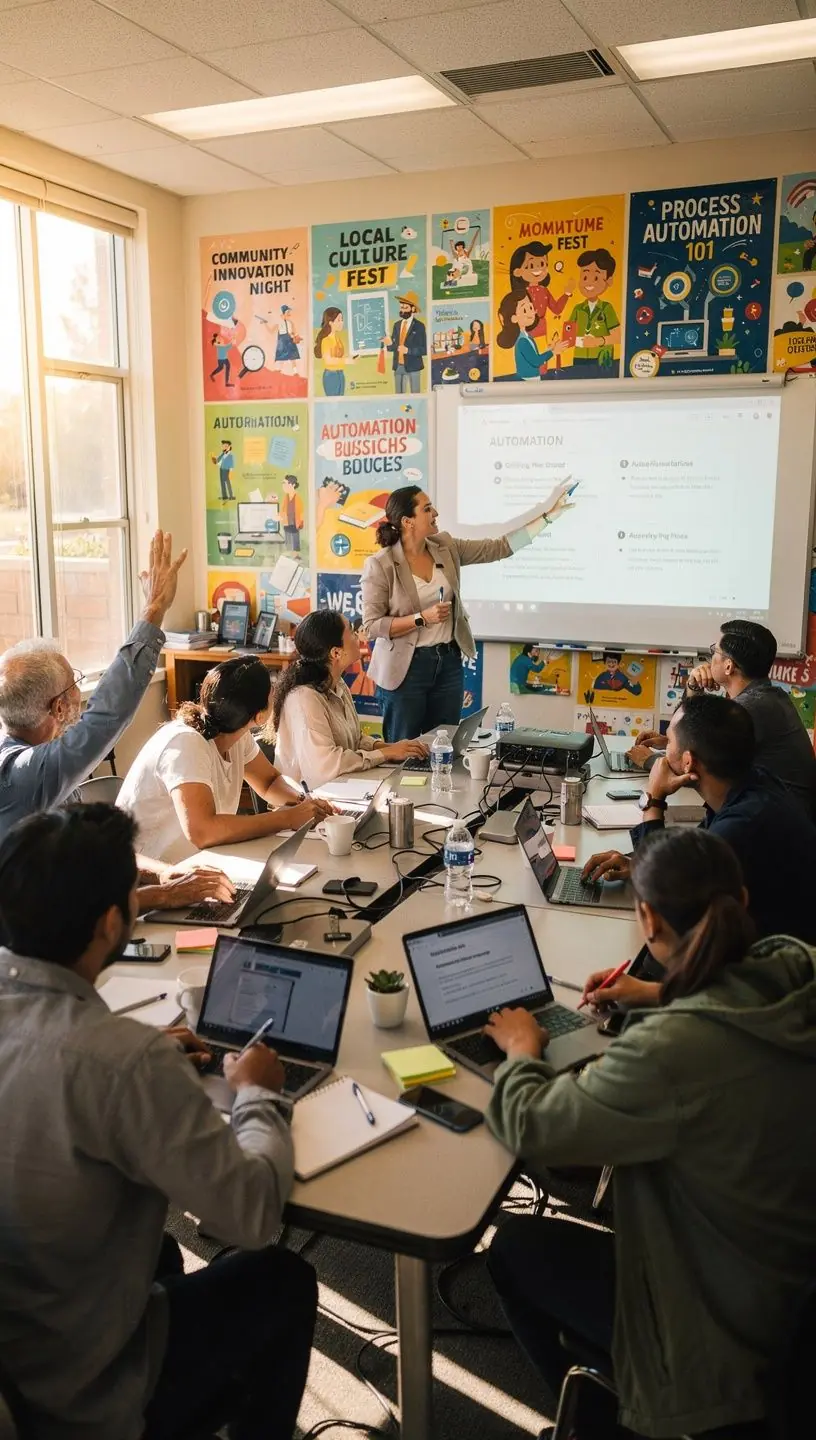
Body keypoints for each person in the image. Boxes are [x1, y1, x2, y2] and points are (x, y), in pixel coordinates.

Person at [484, 825, 816, 1440]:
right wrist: (663, 992)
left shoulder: (670, 1052)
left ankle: (607, 1422)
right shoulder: (797, 969)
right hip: (785, 1274)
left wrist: (522, 1049)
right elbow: (736, 1008)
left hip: (714, 1323)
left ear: (647, 920)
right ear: (740, 902)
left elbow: (532, 1127)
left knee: (515, 1248)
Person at [0, 804, 317, 1439]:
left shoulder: (114, 1053)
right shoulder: (125, 1062)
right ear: (114, 922)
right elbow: (250, 1216)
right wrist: (257, 1094)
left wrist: (137, 1054)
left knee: (164, 1254)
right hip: (79, 1394)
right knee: (281, 1278)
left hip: (19, 1344)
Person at [583, 692, 816, 943]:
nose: (663, 752)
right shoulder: (755, 781)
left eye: (669, 742)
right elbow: (691, 857)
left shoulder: (742, 825)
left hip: (774, 970)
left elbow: (665, 899)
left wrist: (654, 799)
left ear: (688, 762)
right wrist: (636, 863)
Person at [0, 531, 182, 842]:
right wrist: (153, 610)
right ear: (58, 707)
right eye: (76, 681)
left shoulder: (32, 763)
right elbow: (106, 716)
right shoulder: (30, 771)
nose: (80, 691)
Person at [361, 484, 575, 741]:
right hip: (407, 670)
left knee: (445, 745)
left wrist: (548, 518)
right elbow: (372, 626)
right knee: (404, 749)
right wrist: (422, 618)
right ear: (407, 521)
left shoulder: (445, 546)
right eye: (427, 509)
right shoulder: (380, 564)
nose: (436, 513)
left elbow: (499, 547)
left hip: (447, 663)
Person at [117, 656, 332, 862]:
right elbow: (203, 831)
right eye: (271, 689)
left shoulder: (237, 733)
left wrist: (306, 803)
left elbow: (268, 782)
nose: (275, 691)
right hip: (146, 874)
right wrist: (287, 818)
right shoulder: (185, 744)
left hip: (196, 862)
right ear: (259, 716)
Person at [630, 620, 816, 815]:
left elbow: (692, 767)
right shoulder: (770, 696)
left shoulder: (746, 709)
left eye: (714, 652)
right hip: (779, 812)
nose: (710, 660)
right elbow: (697, 743)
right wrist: (693, 688)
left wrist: (649, 760)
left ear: (728, 666)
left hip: (775, 825)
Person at [268, 610, 429, 788]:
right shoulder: (304, 698)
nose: (358, 636)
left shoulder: (338, 683)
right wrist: (387, 753)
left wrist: (391, 747)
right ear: (336, 653)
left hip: (340, 789)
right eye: (351, 632)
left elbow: (354, 740)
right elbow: (325, 767)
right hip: (309, 803)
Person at [565, 247, 621, 375]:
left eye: (596, 278)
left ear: (609, 281)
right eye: (584, 277)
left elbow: (617, 337)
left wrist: (597, 341)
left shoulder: (607, 308)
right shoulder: (577, 309)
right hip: (580, 358)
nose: (589, 282)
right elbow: (568, 334)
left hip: (602, 359)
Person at [507, 240, 571, 342]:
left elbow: (557, 309)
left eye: (542, 264)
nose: (538, 269)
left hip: (542, 331)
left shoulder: (544, 290)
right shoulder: (521, 294)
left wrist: (566, 294)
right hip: (525, 331)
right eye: (531, 265)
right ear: (518, 271)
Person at [496, 291, 568, 380]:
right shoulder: (522, 341)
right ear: (514, 318)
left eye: (531, 307)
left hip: (532, 378)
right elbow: (536, 361)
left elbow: (535, 357)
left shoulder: (527, 336)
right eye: (525, 310)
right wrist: (553, 352)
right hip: (527, 379)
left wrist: (551, 348)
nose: (531, 312)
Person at [381, 291, 427, 394]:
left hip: (413, 367)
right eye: (401, 307)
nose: (402, 310)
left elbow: (424, 349)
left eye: (405, 308)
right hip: (398, 366)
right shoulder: (396, 325)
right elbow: (394, 347)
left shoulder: (419, 326)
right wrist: (388, 344)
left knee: (415, 395)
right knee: (399, 396)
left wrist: (408, 350)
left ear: (413, 309)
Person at [314, 306, 353, 396]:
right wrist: (346, 360)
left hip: (340, 374)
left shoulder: (338, 339)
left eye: (342, 319)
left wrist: (350, 358)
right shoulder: (326, 340)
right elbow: (328, 360)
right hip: (331, 376)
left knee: (340, 404)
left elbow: (339, 356)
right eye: (339, 320)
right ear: (331, 322)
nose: (342, 322)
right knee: (332, 405)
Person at [282, 474, 304, 553]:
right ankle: (288, 554)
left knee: (295, 545)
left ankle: (296, 556)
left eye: (286, 484)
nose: (284, 486)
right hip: (287, 524)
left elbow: (301, 512)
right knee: (288, 543)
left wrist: (301, 523)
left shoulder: (297, 498)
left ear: (293, 485)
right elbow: (283, 510)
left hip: (295, 525)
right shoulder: (286, 497)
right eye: (283, 483)